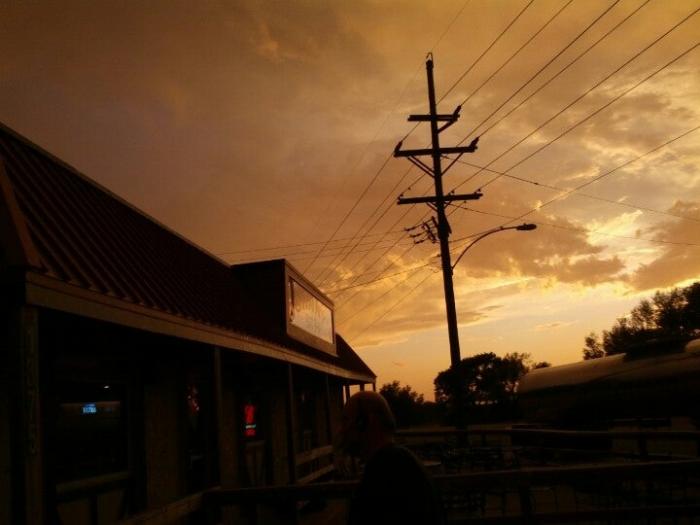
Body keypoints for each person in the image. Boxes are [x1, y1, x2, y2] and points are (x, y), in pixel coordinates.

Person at [336, 391, 444, 525]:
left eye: (346, 420)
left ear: (368, 421)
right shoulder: (398, 462)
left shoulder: (385, 473)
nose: (341, 430)